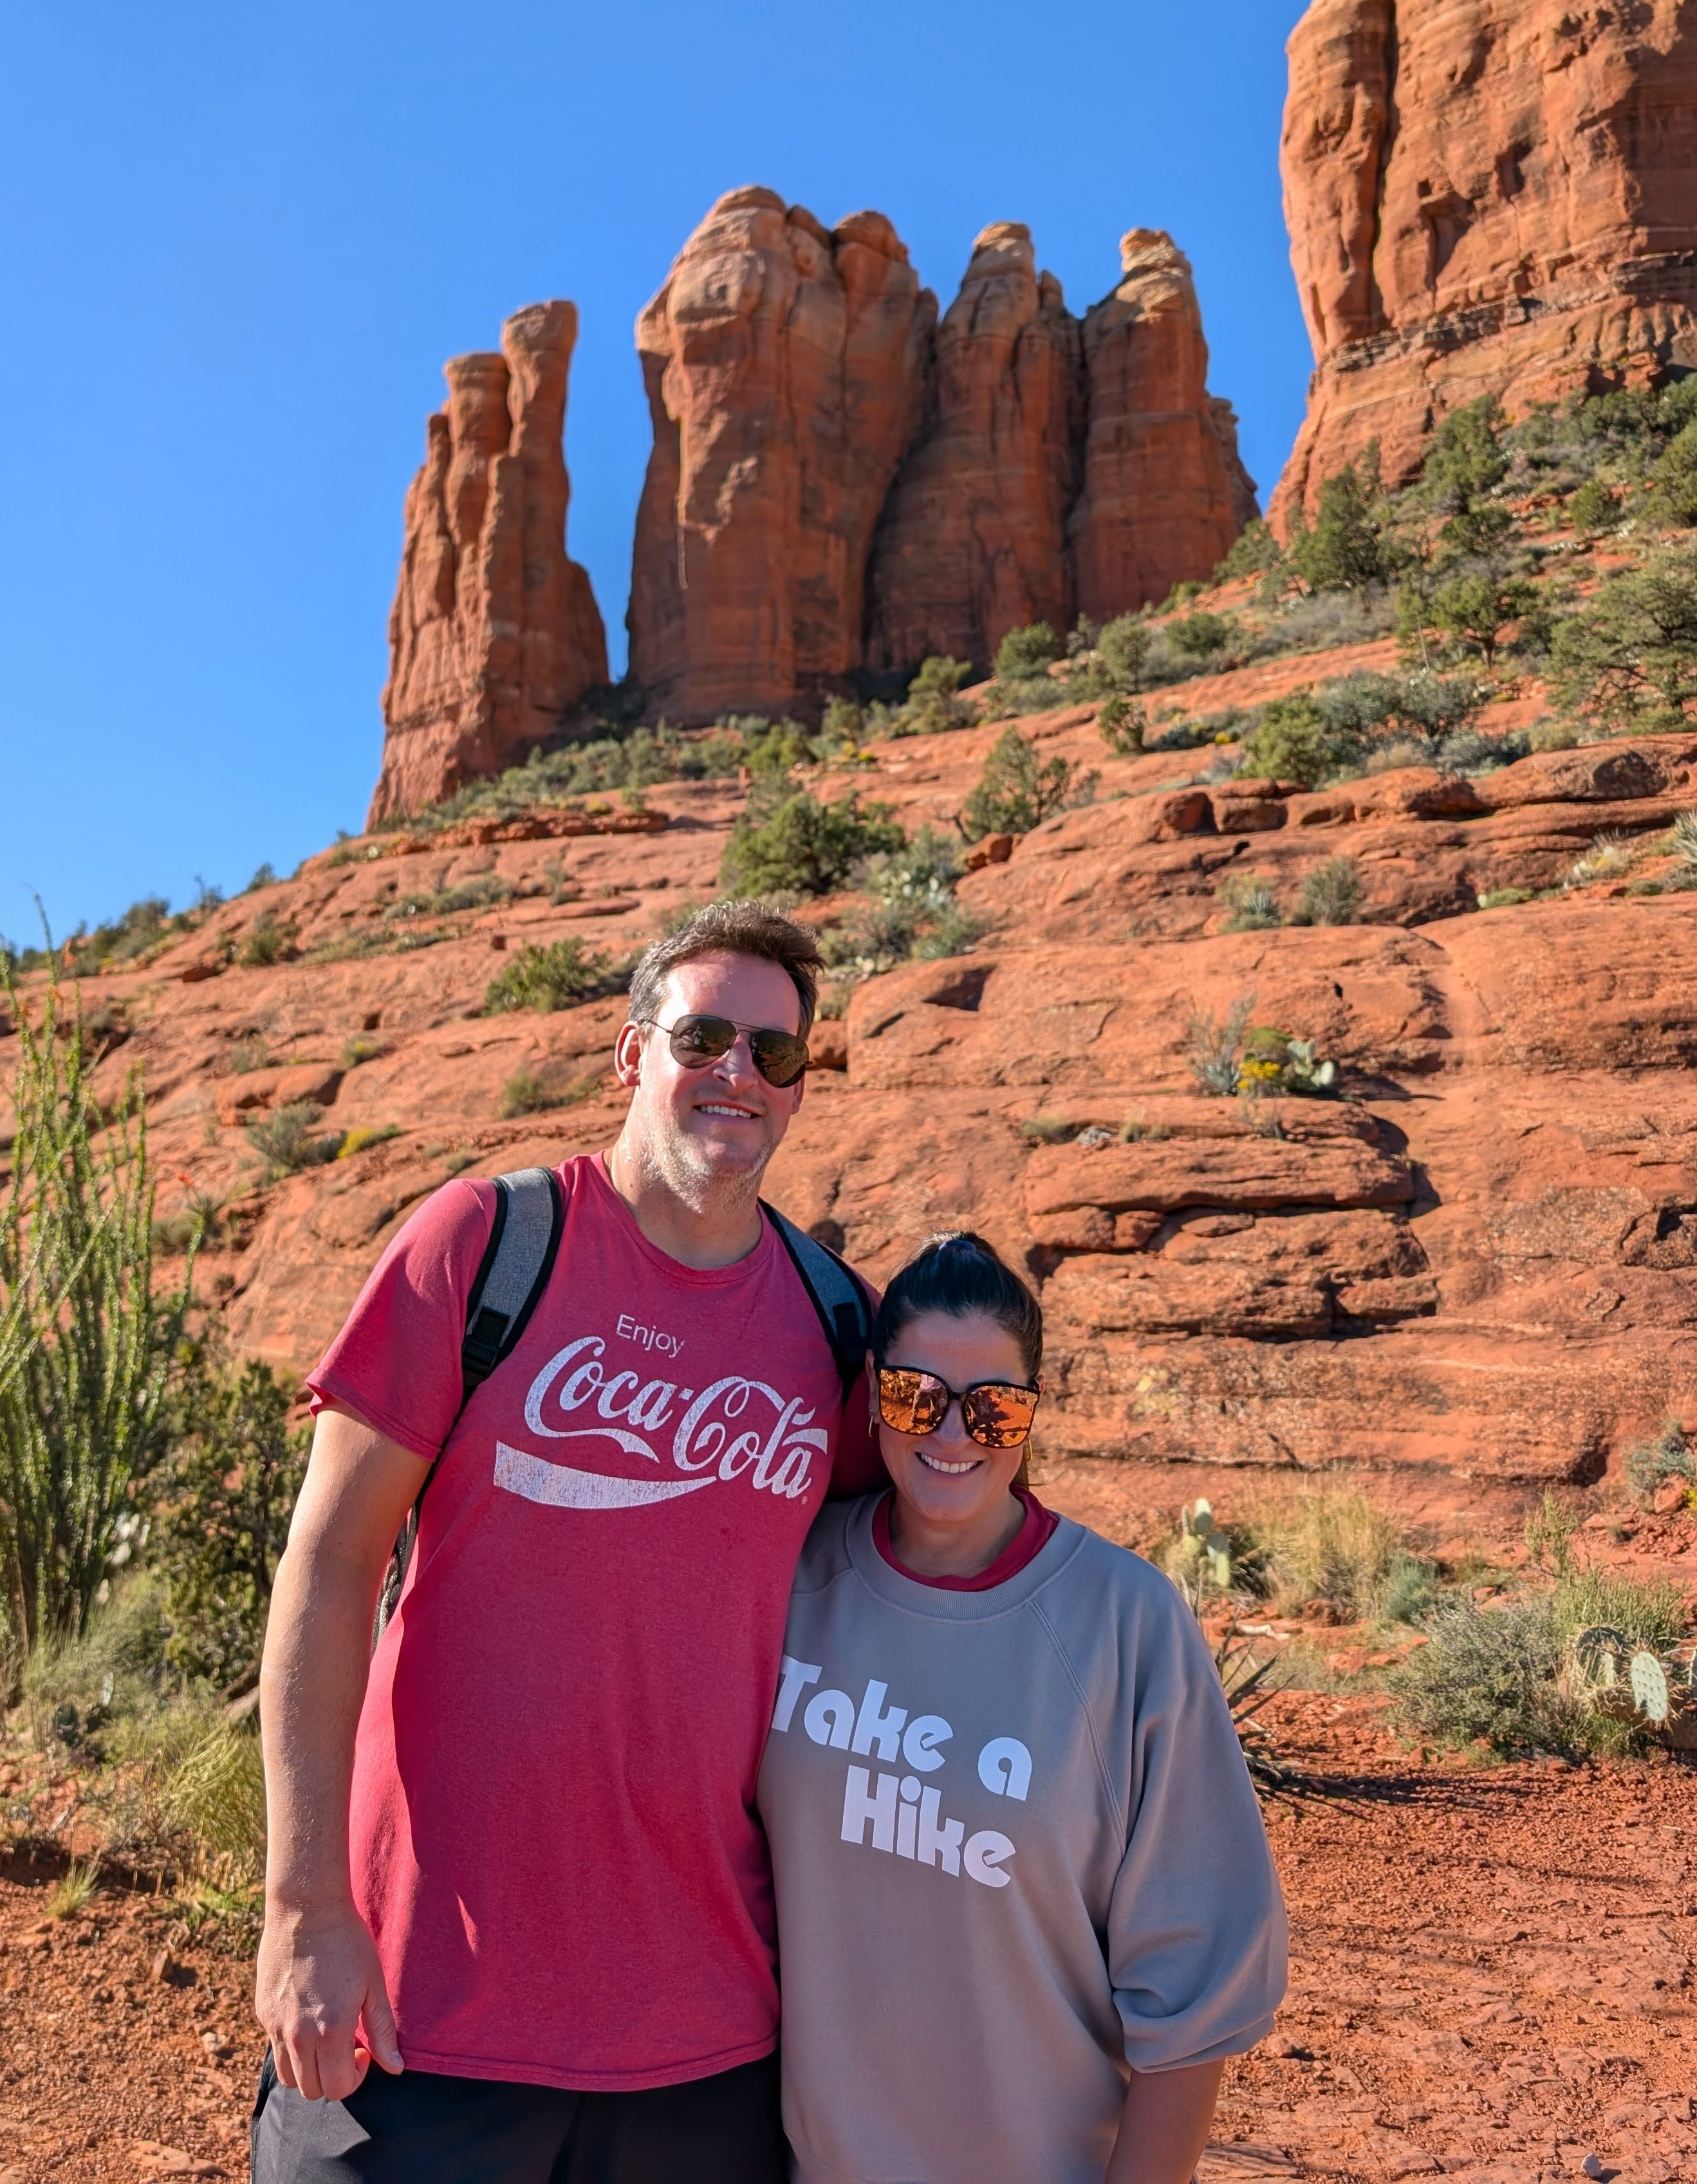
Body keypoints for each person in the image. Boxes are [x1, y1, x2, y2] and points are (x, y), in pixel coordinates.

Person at [251, 898, 882, 2184]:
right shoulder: (487, 1245)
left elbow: (904, 1602)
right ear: (631, 1052)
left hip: (708, 2039)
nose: (738, 1072)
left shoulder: (837, 1327)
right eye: (703, 1037)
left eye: (774, 1052)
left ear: (800, 1090)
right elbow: (329, 1564)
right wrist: (305, 1903)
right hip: (421, 2010)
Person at [758, 1230, 1288, 2184]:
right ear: (872, 1393)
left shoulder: (1123, 1620)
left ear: (1031, 1412)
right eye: (916, 1396)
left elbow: (1195, 1990)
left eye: (993, 1407)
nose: (951, 1435)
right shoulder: (793, 1577)